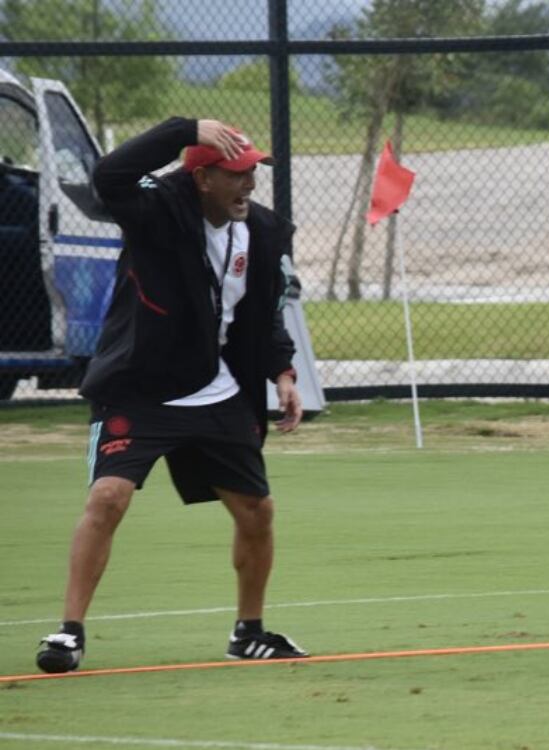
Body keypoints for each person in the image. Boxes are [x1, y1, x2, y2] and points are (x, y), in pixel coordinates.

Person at [35, 117, 309, 673]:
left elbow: (261, 313)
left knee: (257, 512)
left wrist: (283, 372)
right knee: (108, 499)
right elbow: (109, 174)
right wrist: (187, 129)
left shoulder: (260, 231)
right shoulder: (156, 212)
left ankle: (248, 632)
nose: (249, 184)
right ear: (202, 177)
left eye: (253, 171)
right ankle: (69, 633)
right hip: (139, 389)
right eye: (235, 174)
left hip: (216, 390)